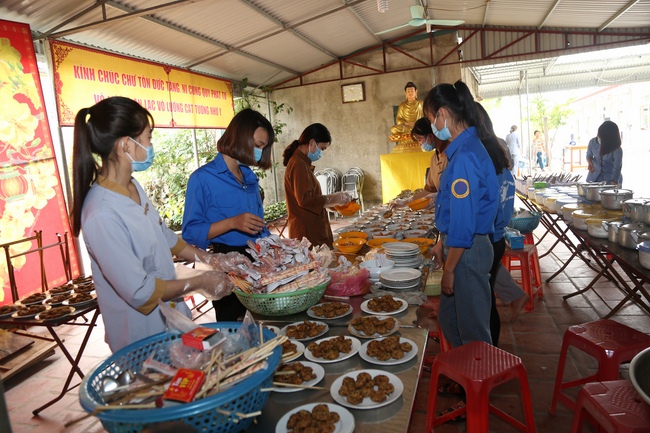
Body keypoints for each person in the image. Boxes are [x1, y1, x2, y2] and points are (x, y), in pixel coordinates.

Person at [70, 96, 248, 353]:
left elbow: (164, 236)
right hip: (141, 335)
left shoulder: (132, 187)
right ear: (126, 145)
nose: (151, 146)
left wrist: (212, 259)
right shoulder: (101, 212)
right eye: (148, 138)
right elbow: (140, 291)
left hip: (173, 320)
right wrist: (200, 282)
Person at [424, 81, 499, 350]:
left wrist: (449, 270)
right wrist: (442, 242)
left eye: (431, 119)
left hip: (468, 251)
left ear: (443, 114)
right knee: (450, 318)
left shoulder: (465, 156)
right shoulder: (463, 150)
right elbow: (458, 211)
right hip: (460, 246)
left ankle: (477, 373)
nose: (433, 126)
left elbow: (464, 223)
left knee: (473, 331)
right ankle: (463, 369)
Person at [182, 108, 273, 322]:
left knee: (262, 323)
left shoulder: (249, 178)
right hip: (225, 263)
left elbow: (259, 225)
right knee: (235, 326)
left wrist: (274, 245)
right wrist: (232, 223)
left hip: (257, 260)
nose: (259, 153)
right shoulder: (202, 179)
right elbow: (191, 232)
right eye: (257, 145)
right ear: (240, 137)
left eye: (263, 148)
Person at [283, 123, 351, 248]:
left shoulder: (302, 163)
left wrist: (332, 203)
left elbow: (311, 195)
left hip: (312, 225)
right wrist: (333, 198)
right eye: (322, 148)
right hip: (306, 231)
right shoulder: (298, 165)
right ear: (312, 143)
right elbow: (304, 200)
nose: (321, 153)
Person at [585, 120, 623, 185]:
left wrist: (614, 182)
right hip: (594, 179)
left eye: (601, 136)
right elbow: (589, 155)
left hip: (610, 180)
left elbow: (617, 167)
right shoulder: (593, 142)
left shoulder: (617, 150)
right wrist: (590, 163)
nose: (599, 137)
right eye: (599, 134)